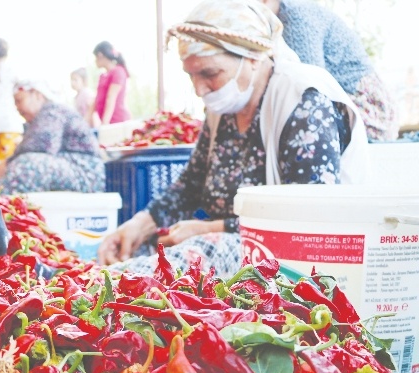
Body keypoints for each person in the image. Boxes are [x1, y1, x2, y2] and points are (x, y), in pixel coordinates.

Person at [97, 0, 368, 277]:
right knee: (145, 251)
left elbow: (307, 217)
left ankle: (107, 283)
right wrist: (140, 224)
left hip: (299, 259)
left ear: (253, 56)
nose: (200, 89)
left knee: (193, 254)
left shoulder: (304, 101)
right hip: (235, 244)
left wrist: (210, 229)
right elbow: (190, 185)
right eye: (191, 75)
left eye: (209, 73)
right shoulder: (224, 109)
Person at [261, 0, 398, 141]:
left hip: (367, 111)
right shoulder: (281, 17)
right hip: (343, 105)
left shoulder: (296, 16)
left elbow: (309, 88)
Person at [0, 79, 105, 194]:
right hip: (71, 169)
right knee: (20, 164)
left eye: (19, 101)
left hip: (86, 172)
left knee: (26, 166)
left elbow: (35, 150)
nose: (17, 108)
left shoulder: (52, 112)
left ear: (37, 95)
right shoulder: (37, 119)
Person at [91, 41, 131, 126]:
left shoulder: (118, 71)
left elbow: (111, 97)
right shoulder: (102, 76)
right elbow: (96, 100)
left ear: (100, 55)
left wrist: (105, 123)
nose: (95, 61)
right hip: (108, 122)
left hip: (117, 122)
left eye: (95, 57)